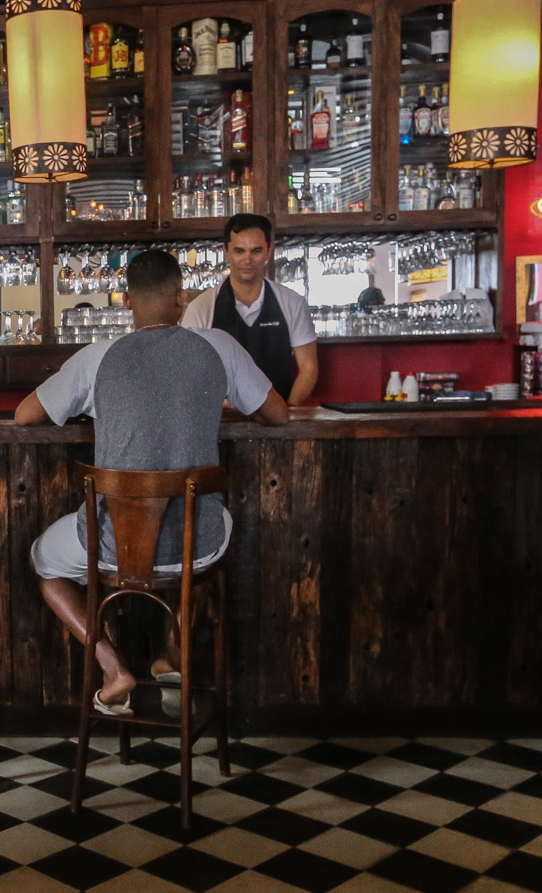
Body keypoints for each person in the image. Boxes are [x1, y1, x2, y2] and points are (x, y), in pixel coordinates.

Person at [18, 248, 287, 710]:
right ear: (181, 298)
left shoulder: (96, 358)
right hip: (195, 544)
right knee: (203, 546)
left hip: (109, 547)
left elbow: (25, 416)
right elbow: (277, 414)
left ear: (126, 301)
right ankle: (172, 653)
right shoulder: (219, 346)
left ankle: (114, 668)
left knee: (45, 564)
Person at [181, 213, 319, 405]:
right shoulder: (202, 307)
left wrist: (287, 412)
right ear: (226, 252)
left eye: (256, 251)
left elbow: (309, 369)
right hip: (222, 424)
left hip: (278, 422)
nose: (247, 260)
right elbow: (187, 373)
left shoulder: (292, 303)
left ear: (269, 251)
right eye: (239, 251)